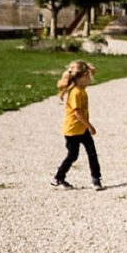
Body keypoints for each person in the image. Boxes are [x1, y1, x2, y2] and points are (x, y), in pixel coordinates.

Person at [50, 60, 103, 190]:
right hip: (73, 130)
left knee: (92, 153)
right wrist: (90, 126)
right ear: (83, 76)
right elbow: (78, 114)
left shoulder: (80, 88)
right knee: (72, 156)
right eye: (88, 76)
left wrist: (88, 68)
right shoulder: (76, 93)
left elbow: (89, 74)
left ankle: (96, 179)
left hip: (81, 129)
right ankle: (58, 178)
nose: (90, 79)